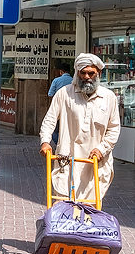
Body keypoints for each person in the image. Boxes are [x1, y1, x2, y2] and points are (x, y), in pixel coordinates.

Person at [40, 53, 121, 201]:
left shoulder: (108, 97)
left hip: (95, 163)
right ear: (77, 73)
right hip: (67, 160)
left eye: (91, 73)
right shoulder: (64, 94)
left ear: (99, 73)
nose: (87, 77)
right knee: (63, 207)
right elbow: (49, 120)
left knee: (90, 209)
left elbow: (114, 128)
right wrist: (45, 142)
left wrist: (101, 149)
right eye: (83, 73)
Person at [47, 62, 73, 144]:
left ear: (61, 71)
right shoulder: (73, 81)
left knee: (55, 130)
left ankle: (59, 144)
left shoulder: (56, 80)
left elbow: (50, 94)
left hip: (59, 109)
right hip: (71, 108)